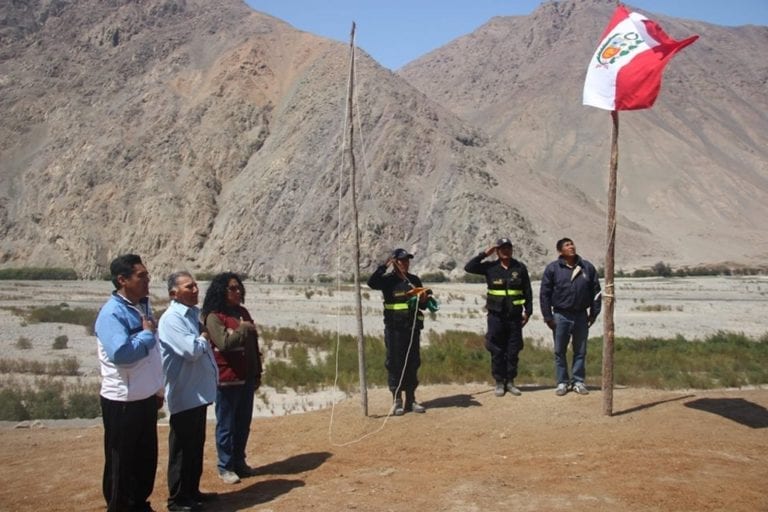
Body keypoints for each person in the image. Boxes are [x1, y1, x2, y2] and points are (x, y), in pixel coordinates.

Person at [94, 254, 164, 512]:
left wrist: (157, 388)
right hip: (122, 401)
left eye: (147, 275)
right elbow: (121, 355)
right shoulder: (112, 313)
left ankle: (139, 505)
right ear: (122, 280)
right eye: (141, 276)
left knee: (145, 459)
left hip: (144, 398)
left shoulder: (141, 306)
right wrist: (146, 335)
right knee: (121, 462)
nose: (147, 280)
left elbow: (153, 355)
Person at [158, 272, 219, 511]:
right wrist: (204, 336)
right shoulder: (172, 319)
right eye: (189, 286)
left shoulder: (192, 314)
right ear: (174, 293)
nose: (195, 289)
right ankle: (178, 499)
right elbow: (191, 350)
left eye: (195, 285)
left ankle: (192, 491)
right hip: (184, 392)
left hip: (198, 392)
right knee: (182, 449)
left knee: (195, 446)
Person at [201, 272, 263, 485]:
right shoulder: (214, 316)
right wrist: (243, 329)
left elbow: (252, 347)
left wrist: (257, 372)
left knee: (243, 423)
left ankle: (239, 462)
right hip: (227, 378)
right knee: (226, 424)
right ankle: (225, 466)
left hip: (245, 376)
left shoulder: (242, 312)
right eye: (232, 288)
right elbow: (224, 343)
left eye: (239, 288)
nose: (237, 292)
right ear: (221, 291)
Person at [367, 248, 433, 415]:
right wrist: (384, 266)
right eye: (402, 260)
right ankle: (397, 399)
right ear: (395, 262)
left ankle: (411, 399)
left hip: (412, 328)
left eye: (407, 260)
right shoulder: (387, 281)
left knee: (413, 362)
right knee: (395, 363)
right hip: (394, 329)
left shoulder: (414, 280)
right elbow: (372, 283)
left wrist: (424, 299)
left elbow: (423, 306)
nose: (405, 263)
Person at [464, 238, 533, 397]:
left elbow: (527, 291)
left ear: (511, 249)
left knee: (513, 349)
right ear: (497, 251)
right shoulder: (490, 267)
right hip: (496, 316)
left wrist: (528, 312)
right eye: (502, 248)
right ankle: (499, 382)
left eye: (508, 247)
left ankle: (510, 381)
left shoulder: (519, 267)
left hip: (515, 317)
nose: (505, 251)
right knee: (496, 349)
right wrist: (484, 254)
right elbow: (469, 267)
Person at [539, 237, 602, 396]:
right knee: (560, 351)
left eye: (572, 243)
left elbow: (596, 292)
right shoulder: (553, 269)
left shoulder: (587, 267)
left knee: (580, 351)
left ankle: (578, 381)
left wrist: (594, 313)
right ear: (560, 251)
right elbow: (544, 294)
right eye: (567, 245)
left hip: (581, 315)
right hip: (560, 315)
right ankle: (562, 382)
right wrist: (548, 316)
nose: (571, 246)